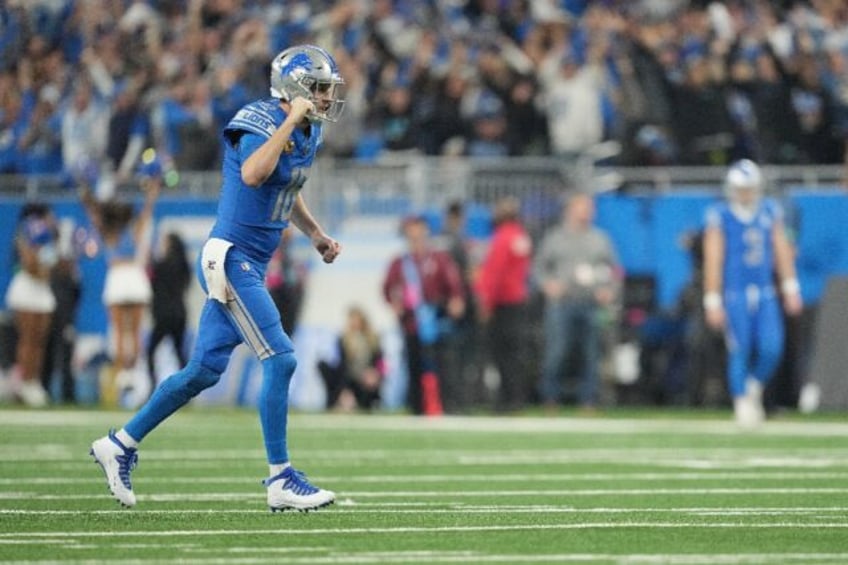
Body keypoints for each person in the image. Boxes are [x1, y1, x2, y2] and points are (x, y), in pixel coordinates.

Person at [89, 44, 345, 512]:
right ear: (296, 88)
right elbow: (253, 173)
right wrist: (289, 121)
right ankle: (280, 478)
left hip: (248, 261)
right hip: (231, 256)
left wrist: (316, 235)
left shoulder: (307, 132)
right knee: (282, 359)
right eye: (321, 88)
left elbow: (287, 189)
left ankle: (120, 444)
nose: (328, 97)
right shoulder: (262, 118)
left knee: (202, 371)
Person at [702, 159, 802, 428]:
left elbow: (781, 251)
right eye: (741, 188)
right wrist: (712, 299)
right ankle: (741, 401)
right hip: (736, 293)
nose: (745, 193)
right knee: (741, 348)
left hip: (766, 291)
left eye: (749, 188)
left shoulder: (770, 210)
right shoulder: (720, 215)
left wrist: (791, 287)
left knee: (772, 347)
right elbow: (713, 258)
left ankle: (753, 387)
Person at [80, 162, 159, 402]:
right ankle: (132, 378)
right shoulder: (133, 228)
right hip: (134, 277)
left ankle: (123, 377)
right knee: (134, 333)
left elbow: (90, 207)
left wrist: (84, 185)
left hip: (117, 277)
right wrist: (153, 186)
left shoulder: (107, 230)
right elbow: (147, 208)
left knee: (118, 331)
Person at [535, 193, 619, 411]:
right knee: (557, 350)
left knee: (591, 352)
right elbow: (538, 269)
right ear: (570, 210)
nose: (587, 213)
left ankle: (588, 400)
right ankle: (550, 398)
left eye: (589, 208)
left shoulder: (600, 239)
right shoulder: (555, 237)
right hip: (562, 303)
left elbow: (615, 270)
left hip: (591, 303)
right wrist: (548, 285)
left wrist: (609, 290)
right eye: (582, 208)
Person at [383, 215, 465, 415]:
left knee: (445, 365)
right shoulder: (400, 263)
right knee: (414, 365)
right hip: (412, 321)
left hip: (438, 319)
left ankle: (448, 406)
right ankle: (416, 408)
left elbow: (453, 284)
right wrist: (395, 304)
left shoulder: (439, 258)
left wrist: (456, 299)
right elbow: (387, 288)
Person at [473, 197, 533, 412]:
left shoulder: (502, 238)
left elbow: (494, 273)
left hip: (503, 303)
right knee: (514, 354)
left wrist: (485, 302)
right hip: (518, 301)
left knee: (501, 353)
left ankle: (506, 400)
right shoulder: (521, 236)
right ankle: (515, 398)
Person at [4, 204, 58, 407]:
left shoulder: (49, 238)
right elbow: (30, 265)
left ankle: (33, 381)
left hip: (42, 290)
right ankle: (22, 383)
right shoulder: (24, 235)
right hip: (27, 288)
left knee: (39, 340)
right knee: (26, 339)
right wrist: (41, 263)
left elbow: (51, 265)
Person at [146, 231, 191, 394]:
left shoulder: (160, 265)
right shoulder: (185, 266)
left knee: (151, 350)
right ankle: (187, 389)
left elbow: (152, 284)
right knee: (180, 353)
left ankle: (152, 386)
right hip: (179, 313)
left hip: (163, 314)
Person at [318, 306, 385, 412]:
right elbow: (342, 365)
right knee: (328, 368)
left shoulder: (373, 339)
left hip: (366, 377)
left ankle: (366, 401)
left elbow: (380, 361)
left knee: (370, 379)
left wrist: (374, 373)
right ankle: (343, 397)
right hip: (349, 377)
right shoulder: (343, 339)